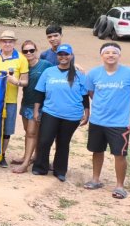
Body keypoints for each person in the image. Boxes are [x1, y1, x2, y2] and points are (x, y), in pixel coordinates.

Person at [83, 42, 130, 199]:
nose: (110, 55)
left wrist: (126, 108)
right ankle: (95, 179)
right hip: (97, 121)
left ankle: (119, 186)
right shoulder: (94, 73)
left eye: (114, 52)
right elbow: (91, 92)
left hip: (119, 123)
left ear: (119, 55)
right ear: (102, 55)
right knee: (97, 151)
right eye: (107, 52)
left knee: (120, 154)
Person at [32, 44, 89, 182]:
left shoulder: (79, 75)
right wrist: (36, 110)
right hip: (50, 112)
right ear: (57, 56)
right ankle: (40, 167)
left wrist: (87, 113)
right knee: (45, 140)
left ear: (71, 56)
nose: (63, 57)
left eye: (66, 54)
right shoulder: (49, 72)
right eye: (60, 54)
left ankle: (60, 170)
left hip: (72, 115)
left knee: (63, 143)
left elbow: (85, 96)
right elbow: (39, 92)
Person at [0, 30, 29, 168]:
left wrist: (15, 81)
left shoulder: (21, 58)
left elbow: (25, 82)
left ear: (14, 42)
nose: (7, 43)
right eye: (4, 41)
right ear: (0, 42)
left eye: (10, 41)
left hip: (10, 100)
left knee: (7, 130)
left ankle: (2, 155)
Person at [11, 40, 52, 174]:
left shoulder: (45, 65)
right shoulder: (22, 65)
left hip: (39, 105)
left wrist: (77, 66)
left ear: (36, 50)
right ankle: (30, 156)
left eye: (31, 50)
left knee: (31, 133)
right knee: (28, 132)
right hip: (26, 103)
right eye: (25, 51)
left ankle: (26, 163)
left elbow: (61, 69)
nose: (29, 53)